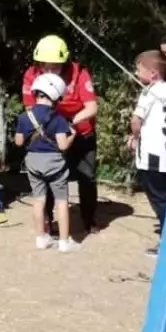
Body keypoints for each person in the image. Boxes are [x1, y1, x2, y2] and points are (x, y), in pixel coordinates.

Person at [21, 35, 99, 235]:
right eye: (44, 67)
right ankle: (47, 220)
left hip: (80, 132)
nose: (48, 72)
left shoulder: (79, 73)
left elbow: (91, 107)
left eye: (54, 67)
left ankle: (88, 220)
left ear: (64, 64)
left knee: (87, 178)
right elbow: (32, 108)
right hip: (50, 137)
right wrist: (55, 128)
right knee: (48, 178)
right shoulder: (31, 75)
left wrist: (68, 124)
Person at [13, 73, 78, 251]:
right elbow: (63, 145)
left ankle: (41, 238)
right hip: (54, 163)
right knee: (62, 201)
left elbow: (18, 142)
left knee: (38, 200)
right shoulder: (58, 119)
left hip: (33, 162)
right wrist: (72, 135)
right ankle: (64, 242)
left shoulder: (24, 117)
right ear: (56, 95)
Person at [129, 50, 166, 256]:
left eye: (139, 69)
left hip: (151, 154)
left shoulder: (149, 91)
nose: (135, 72)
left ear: (153, 73)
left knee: (159, 199)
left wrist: (134, 135)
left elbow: (136, 120)